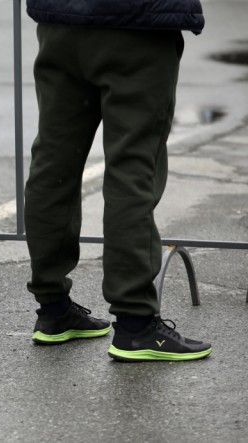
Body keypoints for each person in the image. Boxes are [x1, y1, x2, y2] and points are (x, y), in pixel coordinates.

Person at [24, 0, 212, 361]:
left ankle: (53, 310)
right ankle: (136, 324)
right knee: (133, 167)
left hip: (62, 21)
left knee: (53, 161)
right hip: (137, 24)